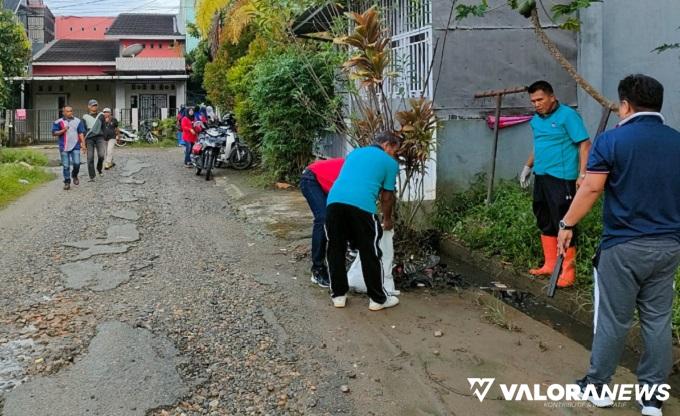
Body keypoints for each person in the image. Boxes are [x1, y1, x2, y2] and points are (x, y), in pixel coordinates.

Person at [558, 74, 680, 415]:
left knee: (614, 319)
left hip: (623, 247)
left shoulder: (612, 141)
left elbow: (592, 188)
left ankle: (598, 387)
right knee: (658, 321)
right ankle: (653, 398)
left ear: (625, 105)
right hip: (669, 247)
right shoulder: (677, 142)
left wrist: (567, 223)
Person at [519, 80, 590, 287]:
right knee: (544, 217)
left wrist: (583, 174)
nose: (536, 104)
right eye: (533, 101)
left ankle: (567, 272)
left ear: (552, 96)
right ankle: (550, 265)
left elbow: (585, 144)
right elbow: (538, 144)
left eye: (540, 99)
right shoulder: (536, 120)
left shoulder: (568, 116)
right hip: (541, 175)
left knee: (563, 220)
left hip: (562, 177)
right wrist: (527, 166)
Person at [325, 132, 400, 311]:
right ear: (387, 145)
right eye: (394, 150)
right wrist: (387, 219)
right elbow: (387, 196)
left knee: (335, 248)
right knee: (370, 251)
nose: (393, 154)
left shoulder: (354, 153)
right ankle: (378, 299)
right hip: (362, 206)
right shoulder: (390, 162)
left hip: (334, 203)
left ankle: (338, 296)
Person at [300, 158, 345, 287]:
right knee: (323, 219)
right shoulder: (357, 169)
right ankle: (317, 269)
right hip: (311, 179)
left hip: (325, 182)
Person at [52, 105, 86, 190]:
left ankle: (74, 175)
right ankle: (67, 182)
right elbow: (54, 133)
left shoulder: (78, 121)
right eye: (67, 111)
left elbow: (81, 133)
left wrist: (84, 144)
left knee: (77, 163)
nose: (70, 112)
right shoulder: (58, 122)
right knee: (66, 165)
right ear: (63, 112)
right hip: (64, 146)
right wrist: (63, 130)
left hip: (76, 146)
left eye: (71, 111)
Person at [82, 99, 107, 181]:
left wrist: (104, 137)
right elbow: (84, 129)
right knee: (90, 158)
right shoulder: (85, 117)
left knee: (101, 155)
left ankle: (99, 168)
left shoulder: (101, 115)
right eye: (92, 105)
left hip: (100, 137)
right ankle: (92, 176)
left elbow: (104, 127)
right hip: (89, 139)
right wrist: (83, 142)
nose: (94, 107)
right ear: (89, 106)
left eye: (96, 105)